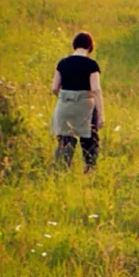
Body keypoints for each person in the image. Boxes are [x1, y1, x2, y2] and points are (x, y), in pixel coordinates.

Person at [50, 31, 104, 172]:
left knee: (65, 141)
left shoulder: (62, 63)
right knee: (89, 141)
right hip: (85, 106)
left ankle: (61, 172)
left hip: (64, 105)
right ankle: (89, 170)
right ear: (90, 47)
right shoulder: (91, 65)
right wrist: (101, 114)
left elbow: (54, 88)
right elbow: (96, 89)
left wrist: (67, 98)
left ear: (74, 45)